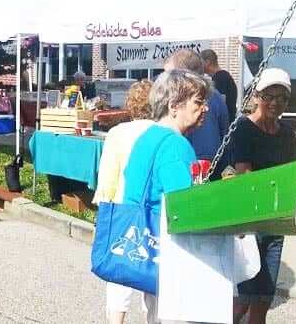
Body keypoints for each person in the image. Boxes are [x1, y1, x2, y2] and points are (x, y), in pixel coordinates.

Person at [116, 69, 209, 323]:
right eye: (198, 102)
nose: (205, 108)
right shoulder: (176, 145)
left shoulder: (147, 137)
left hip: (146, 242)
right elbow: (185, 204)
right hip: (170, 249)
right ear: (174, 105)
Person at [226, 68, 296, 324]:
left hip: (275, 224)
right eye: (270, 96)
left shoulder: (288, 134)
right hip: (249, 223)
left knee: (264, 298)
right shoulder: (243, 128)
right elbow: (245, 176)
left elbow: (293, 175)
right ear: (256, 96)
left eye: (282, 97)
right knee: (244, 298)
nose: (276, 102)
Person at [93, 79, 155, 323]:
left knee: (120, 273)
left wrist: (103, 207)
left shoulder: (117, 133)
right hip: (153, 210)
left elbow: (107, 176)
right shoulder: (163, 134)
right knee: (153, 274)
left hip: (120, 208)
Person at [164, 50, 229, 163]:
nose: (164, 82)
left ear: (184, 75)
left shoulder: (202, 99)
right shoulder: (210, 95)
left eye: (169, 75)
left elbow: (205, 154)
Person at [201, 49, 239, 121]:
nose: (200, 66)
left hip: (225, 123)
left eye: (201, 62)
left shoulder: (220, 77)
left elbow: (220, 102)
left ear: (207, 62)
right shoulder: (222, 76)